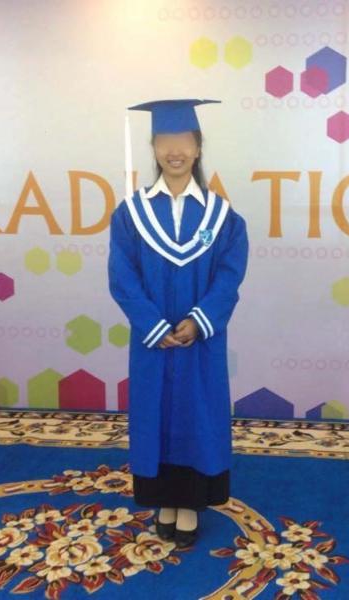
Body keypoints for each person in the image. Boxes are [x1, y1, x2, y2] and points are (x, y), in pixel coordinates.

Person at [107, 98, 249, 548]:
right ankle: (164, 501)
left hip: (199, 341)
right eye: (165, 142)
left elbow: (229, 276)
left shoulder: (221, 217)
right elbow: (122, 276)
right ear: (153, 148)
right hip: (153, 341)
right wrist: (152, 325)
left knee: (197, 412)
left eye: (184, 141)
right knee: (156, 414)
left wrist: (200, 320)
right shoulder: (131, 214)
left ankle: (189, 504)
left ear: (198, 147)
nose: (175, 151)